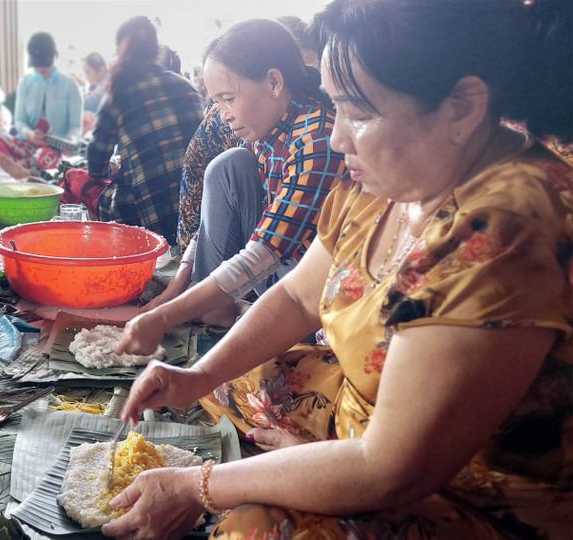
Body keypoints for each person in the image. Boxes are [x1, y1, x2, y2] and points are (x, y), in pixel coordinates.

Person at [106, 1, 573, 538]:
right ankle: (314, 454)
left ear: (463, 106)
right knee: (227, 383)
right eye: (336, 107)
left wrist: (201, 485)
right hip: (362, 412)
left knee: (252, 528)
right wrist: (199, 375)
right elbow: (297, 298)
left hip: (462, 489)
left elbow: (390, 468)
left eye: (360, 112)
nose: (337, 138)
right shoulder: (383, 182)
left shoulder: (504, 229)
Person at [134, 19, 345, 331]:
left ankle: (229, 308)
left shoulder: (316, 140)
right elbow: (211, 226)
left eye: (228, 98)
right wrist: (175, 290)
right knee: (230, 164)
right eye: (217, 101)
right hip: (274, 271)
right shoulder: (265, 131)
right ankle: (217, 306)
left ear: (274, 82)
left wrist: (166, 315)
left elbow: (268, 249)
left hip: (309, 288)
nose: (223, 114)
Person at [65, 16, 202, 244]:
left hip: (143, 218)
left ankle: (85, 245)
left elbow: (95, 165)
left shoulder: (120, 93)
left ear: (121, 49)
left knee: (72, 177)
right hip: (191, 217)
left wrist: (112, 169)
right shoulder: (189, 88)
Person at [0, 31, 82, 175]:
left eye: (45, 63)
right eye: (37, 64)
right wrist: (30, 134)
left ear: (56, 55)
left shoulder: (70, 86)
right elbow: (19, 121)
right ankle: (26, 164)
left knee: (48, 157)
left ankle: (28, 171)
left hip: (55, 148)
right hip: (27, 143)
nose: (41, 68)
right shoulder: (25, 82)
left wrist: (69, 141)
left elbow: (75, 126)